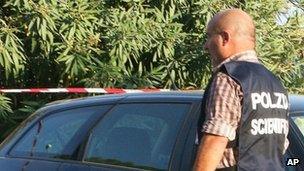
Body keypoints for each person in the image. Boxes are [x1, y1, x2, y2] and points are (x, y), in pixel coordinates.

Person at [193, 9, 289, 171]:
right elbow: (281, 145)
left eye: (209, 37)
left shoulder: (229, 78)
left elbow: (215, 139)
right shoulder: (274, 82)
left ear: (224, 38)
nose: (205, 46)